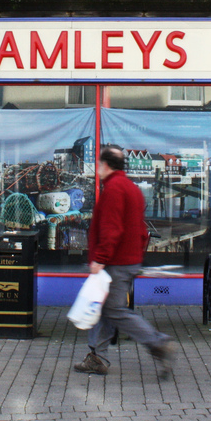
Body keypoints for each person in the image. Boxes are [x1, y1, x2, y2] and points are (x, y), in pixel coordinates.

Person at [74, 145, 176, 378]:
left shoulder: (113, 189)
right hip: (129, 260)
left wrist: (99, 259)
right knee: (105, 307)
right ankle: (97, 358)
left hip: (116, 263)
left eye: (99, 164)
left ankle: (159, 343)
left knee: (114, 309)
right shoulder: (132, 188)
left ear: (105, 165)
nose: (98, 168)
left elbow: (112, 230)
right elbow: (140, 228)